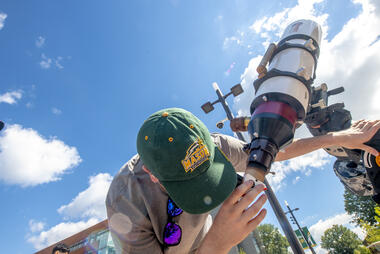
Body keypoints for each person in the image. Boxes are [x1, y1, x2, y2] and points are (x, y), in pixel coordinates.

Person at [106, 108, 380, 254]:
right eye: (190, 183)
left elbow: (274, 150)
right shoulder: (124, 201)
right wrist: (218, 243)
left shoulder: (212, 144)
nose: (207, 193)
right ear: (152, 175)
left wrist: (340, 137)